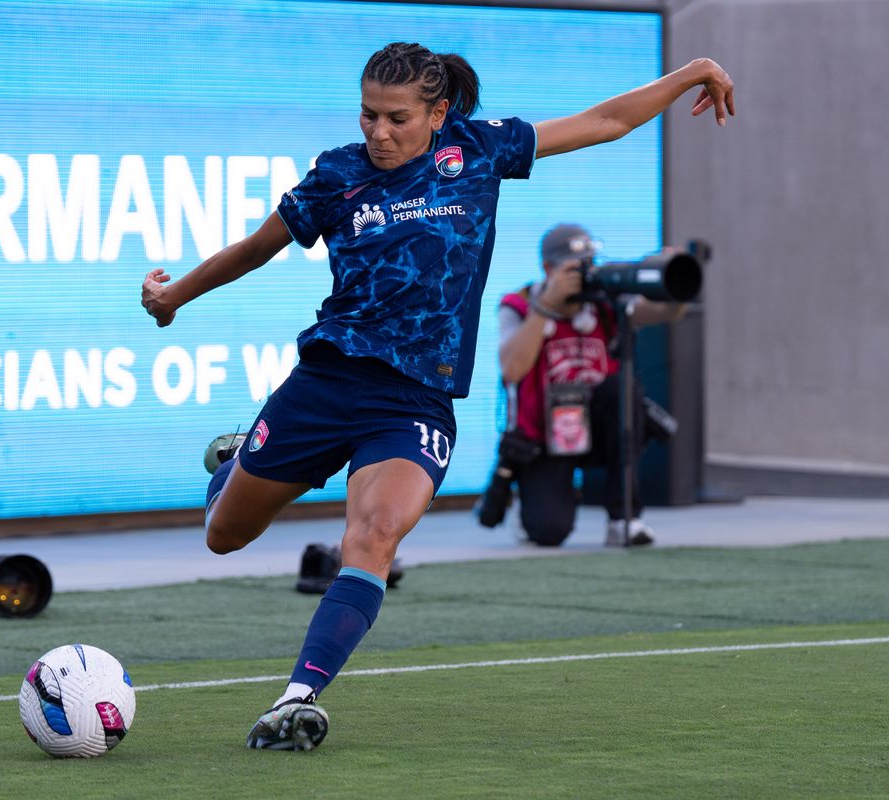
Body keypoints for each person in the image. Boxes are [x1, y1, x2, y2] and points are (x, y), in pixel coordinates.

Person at [141, 42, 734, 751]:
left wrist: (692, 72)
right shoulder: (337, 174)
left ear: (438, 112)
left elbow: (605, 122)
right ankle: (240, 461)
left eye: (396, 118)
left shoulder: (479, 150)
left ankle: (297, 698)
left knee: (374, 536)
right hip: (327, 384)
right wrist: (174, 296)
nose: (379, 132)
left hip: (414, 403)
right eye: (368, 115)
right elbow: (255, 249)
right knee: (224, 536)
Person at [490, 224, 688, 549]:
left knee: (621, 389)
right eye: (573, 268)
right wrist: (546, 306)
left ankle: (623, 519)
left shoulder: (605, 302)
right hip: (544, 435)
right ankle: (530, 503)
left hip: (597, 426)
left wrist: (673, 276)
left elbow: (665, 311)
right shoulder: (519, 304)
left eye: (589, 264)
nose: (584, 274)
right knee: (548, 532)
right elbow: (512, 369)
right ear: (548, 268)